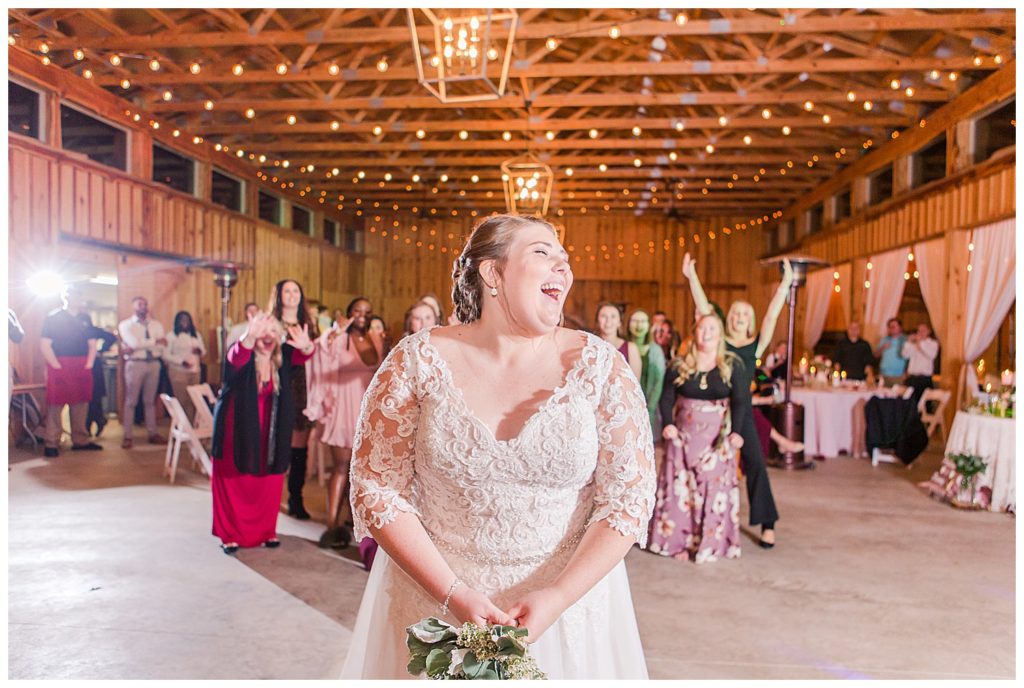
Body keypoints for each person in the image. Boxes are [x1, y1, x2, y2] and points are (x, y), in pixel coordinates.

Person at [341, 214, 654, 680]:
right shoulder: (415, 361)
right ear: (492, 273)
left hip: (565, 615)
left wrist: (559, 595)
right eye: (543, 253)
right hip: (435, 607)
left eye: (565, 260)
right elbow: (375, 488)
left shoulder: (601, 366)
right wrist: (451, 593)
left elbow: (628, 499)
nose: (562, 268)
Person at [682, 252, 791, 549]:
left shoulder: (755, 345)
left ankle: (768, 523)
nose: (739, 318)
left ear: (750, 320)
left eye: (745, 314)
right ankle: (698, 523)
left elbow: (772, 316)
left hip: (743, 414)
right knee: (705, 466)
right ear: (727, 318)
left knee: (756, 463)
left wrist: (785, 285)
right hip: (717, 411)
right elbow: (703, 308)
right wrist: (692, 277)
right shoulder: (720, 341)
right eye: (735, 313)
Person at [210, 312, 314, 554]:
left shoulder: (283, 358)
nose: (267, 337)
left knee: (269, 480)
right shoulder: (242, 355)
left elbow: (306, 353)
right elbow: (236, 357)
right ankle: (230, 535)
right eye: (261, 332)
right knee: (234, 481)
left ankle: (266, 531)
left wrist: (306, 344)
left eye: (272, 332)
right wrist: (249, 335)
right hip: (235, 432)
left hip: (271, 430)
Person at [648, 313, 745, 563]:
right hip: (683, 439)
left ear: (720, 334)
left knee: (713, 491)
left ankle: (711, 543)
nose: (707, 333)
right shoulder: (679, 365)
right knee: (682, 493)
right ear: (695, 333)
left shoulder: (732, 365)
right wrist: (668, 425)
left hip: (716, 441)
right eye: (702, 329)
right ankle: (678, 543)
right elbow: (666, 397)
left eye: (712, 328)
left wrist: (737, 433)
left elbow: (742, 401)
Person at [307, 296, 383, 548]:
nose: (362, 315)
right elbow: (322, 358)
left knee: (360, 471)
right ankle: (331, 524)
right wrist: (332, 334)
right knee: (341, 467)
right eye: (357, 311)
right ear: (349, 313)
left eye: (367, 311)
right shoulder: (339, 339)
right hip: (343, 410)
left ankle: (354, 519)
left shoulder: (375, 338)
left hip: (366, 411)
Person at [270, 280, 319, 520]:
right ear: (278, 296)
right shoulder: (270, 322)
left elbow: (316, 354)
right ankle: (269, 497)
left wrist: (307, 346)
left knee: (299, 446)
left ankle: (295, 498)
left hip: (300, 386)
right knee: (274, 443)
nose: (291, 295)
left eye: (295, 291)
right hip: (274, 384)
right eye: (286, 291)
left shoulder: (308, 323)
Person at [40, 284, 101, 457]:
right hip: (59, 363)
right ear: (64, 297)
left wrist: (89, 364)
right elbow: (45, 345)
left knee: (81, 403)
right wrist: (56, 365)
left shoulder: (85, 318)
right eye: (70, 294)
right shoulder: (53, 318)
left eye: (76, 295)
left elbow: (92, 343)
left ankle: (80, 440)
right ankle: (51, 442)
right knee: (55, 404)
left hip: (81, 365)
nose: (73, 298)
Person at [118, 296, 167, 449]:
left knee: (150, 401)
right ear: (133, 306)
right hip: (135, 363)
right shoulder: (126, 325)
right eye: (140, 304)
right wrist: (153, 342)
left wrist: (141, 345)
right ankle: (127, 436)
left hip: (153, 363)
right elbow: (133, 343)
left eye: (145, 304)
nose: (143, 307)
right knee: (131, 401)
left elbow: (162, 345)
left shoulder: (156, 325)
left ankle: (152, 433)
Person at [75, 312, 117, 437]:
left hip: (92, 366)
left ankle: (90, 424)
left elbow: (111, 337)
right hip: (83, 365)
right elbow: (111, 337)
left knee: (93, 396)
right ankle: (96, 421)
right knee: (88, 397)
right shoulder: (87, 331)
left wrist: (101, 350)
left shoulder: (91, 330)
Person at [164, 311, 206, 422]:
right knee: (181, 400)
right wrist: (181, 361)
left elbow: (204, 351)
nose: (184, 322)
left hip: (195, 371)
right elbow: (165, 355)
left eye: (187, 319)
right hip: (179, 371)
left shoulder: (195, 335)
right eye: (182, 320)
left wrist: (199, 351)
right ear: (177, 322)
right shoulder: (171, 336)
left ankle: (191, 425)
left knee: (193, 400)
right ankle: (180, 424)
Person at [628, 309, 665, 436]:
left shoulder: (655, 350)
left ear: (649, 325)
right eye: (635, 321)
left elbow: (658, 382)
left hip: (649, 406)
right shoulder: (623, 346)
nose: (639, 325)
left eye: (643, 321)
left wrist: (650, 408)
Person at [595, 302, 641, 380]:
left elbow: (636, 383)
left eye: (613, 316)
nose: (608, 320)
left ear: (619, 322)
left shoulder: (631, 348)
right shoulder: (590, 346)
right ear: (597, 321)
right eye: (603, 316)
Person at [901, 323, 939, 405]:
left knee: (924, 405)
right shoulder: (914, 344)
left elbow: (931, 355)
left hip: (924, 379)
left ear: (929, 331)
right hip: (912, 378)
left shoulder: (933, 343)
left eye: (923, 330)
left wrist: (919, 343)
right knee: (908, 404)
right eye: (919, 330)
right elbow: (905, 355)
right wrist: (909, 342)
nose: (920, 332)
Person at [876, 318, 908, 386]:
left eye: (894, 326)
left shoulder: (906, 340)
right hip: (883, 375)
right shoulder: (884, 339)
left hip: (898, 376)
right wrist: (882, 348)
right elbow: (876, 355)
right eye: (890, 327)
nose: (892, 328)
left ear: (900, 327)